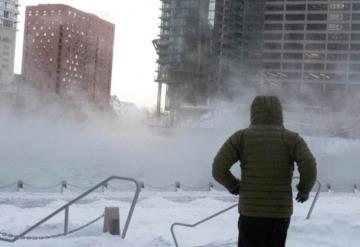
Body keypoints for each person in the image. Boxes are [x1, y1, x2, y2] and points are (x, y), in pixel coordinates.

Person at [212, 95, 317, 247]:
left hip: (251, 213)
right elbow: (309, 165)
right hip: (280, 214)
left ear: (253, 112)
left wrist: (234, 185)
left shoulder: (241, 137)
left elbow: (218, 168)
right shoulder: (292, 139)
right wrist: (304, 190)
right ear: (280, 113)